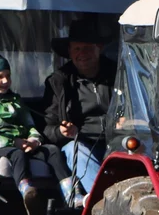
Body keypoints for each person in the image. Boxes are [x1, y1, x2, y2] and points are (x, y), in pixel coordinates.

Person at [0, 52, 80, 215]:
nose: (6, 81)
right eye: (0, 77)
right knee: (18, 155)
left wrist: (34, 140)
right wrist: (15, 142)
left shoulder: (15, 101)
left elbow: (29, 124)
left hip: (23, 143)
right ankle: (27, 191)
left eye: (8, 76)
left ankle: (71, 194)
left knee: (53, 151)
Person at [42, 19, 117, 194]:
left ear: (99, 47)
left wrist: (128, 118)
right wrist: (61, 132)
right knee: (74, 149)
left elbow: (137, 106)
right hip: (80, 143)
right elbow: (46, 128)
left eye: (88, 48)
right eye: (77, 49)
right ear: (69, 51)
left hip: (116, 141)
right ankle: (103, 202)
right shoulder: (58, 82)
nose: (82, 54)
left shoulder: (118, 74)